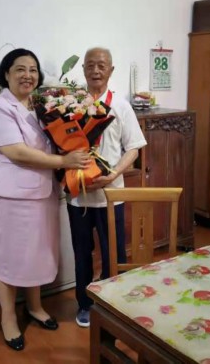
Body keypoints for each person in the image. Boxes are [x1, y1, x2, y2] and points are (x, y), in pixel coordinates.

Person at [0, 48, 90, 351]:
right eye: (20, 69)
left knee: (37, 254)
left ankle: (34, 306)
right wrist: (64, 161)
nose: (27, 75)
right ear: (6, 73)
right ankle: (9, 318)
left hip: (43, 192)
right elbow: (16, 152)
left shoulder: (39, 105)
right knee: (11, 258)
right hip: (13, 198)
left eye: (32, 70)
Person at [66, 47, 147, 327]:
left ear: (111, 70)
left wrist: (113, 174)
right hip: (79, 196)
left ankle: (114, 301)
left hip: (111, 194)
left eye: (101, 65)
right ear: (83, 70)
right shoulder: (71, 106)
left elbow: (134, 148)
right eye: (90, 65)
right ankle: (85, 304)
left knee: (114, 252)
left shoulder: (121, 106)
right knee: (81, 252)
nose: (96, 70)